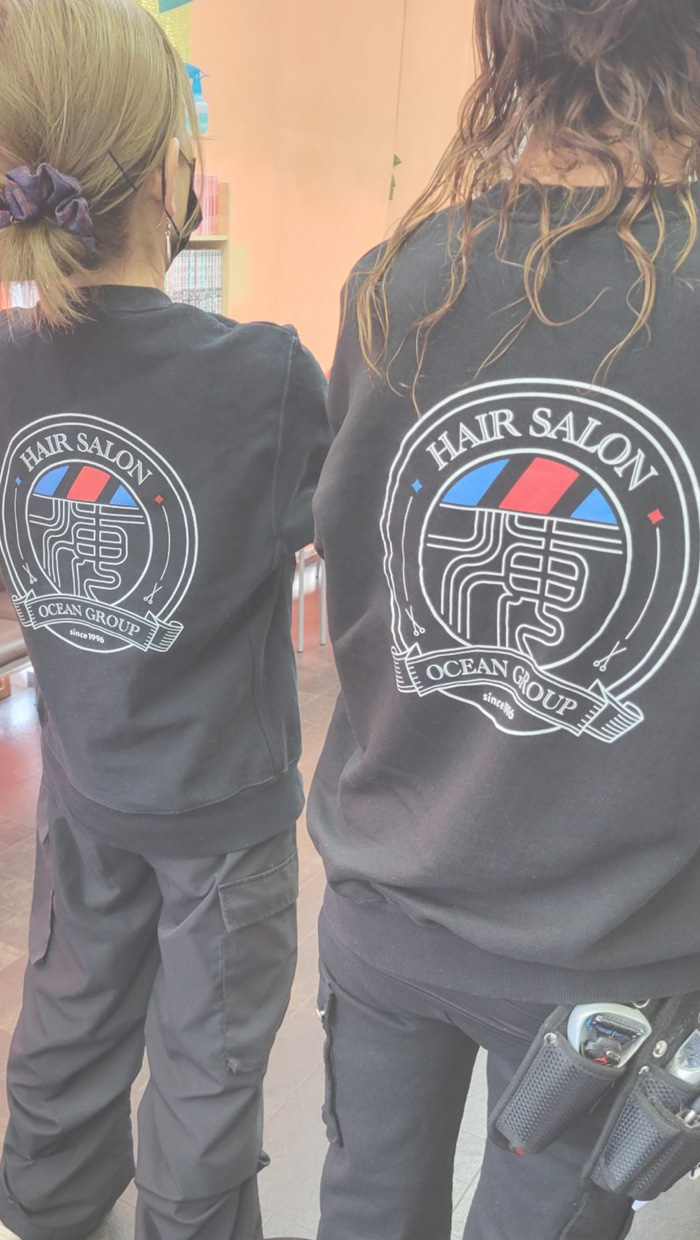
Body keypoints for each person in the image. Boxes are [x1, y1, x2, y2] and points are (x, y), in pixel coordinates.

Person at [309, 1, 700, 1237]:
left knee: (364, 1211)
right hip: (607, 949)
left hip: (389, 888)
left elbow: (358, 590)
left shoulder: (397, 283)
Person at [0, 2, 329, 1239]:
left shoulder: (10, 367)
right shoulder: (263, 374)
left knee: (65, 1033)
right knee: (202, 1084)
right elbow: (348, 557)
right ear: (169, 175)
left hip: (83, 791)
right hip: (221, 825)